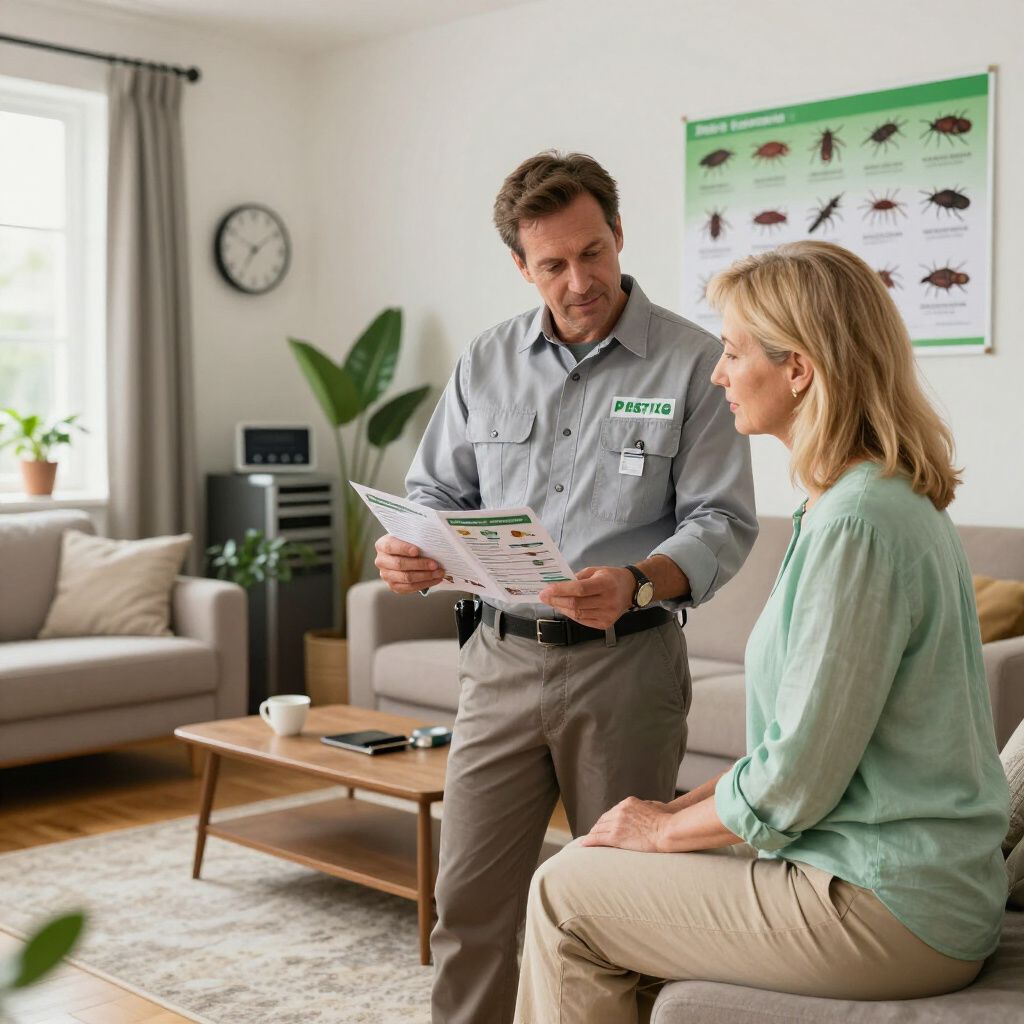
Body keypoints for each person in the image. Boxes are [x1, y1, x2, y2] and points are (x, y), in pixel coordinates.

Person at [513, 240, 1012, 1024]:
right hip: (887, 881)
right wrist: (671, 815)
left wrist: (665, 832)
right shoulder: (859, 502)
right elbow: (796, 747)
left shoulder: (859, 523)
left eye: (733, 351)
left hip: (885, 905)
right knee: (605, 855)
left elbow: (793, 782)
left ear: (799, 370)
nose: (717, 373)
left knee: (565, 889)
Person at [373, 151, 757, 1024]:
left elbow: (721, 521)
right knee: (469, 902)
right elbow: (433, 492)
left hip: (626, 669)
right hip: (499, 664)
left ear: (619, 235)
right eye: (553, 264)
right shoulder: (486, 359)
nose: (579, 280)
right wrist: (410, 546)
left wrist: (637, 579)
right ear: (521, 265)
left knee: (624, 905)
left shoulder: (698, 364)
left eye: (593, 252)